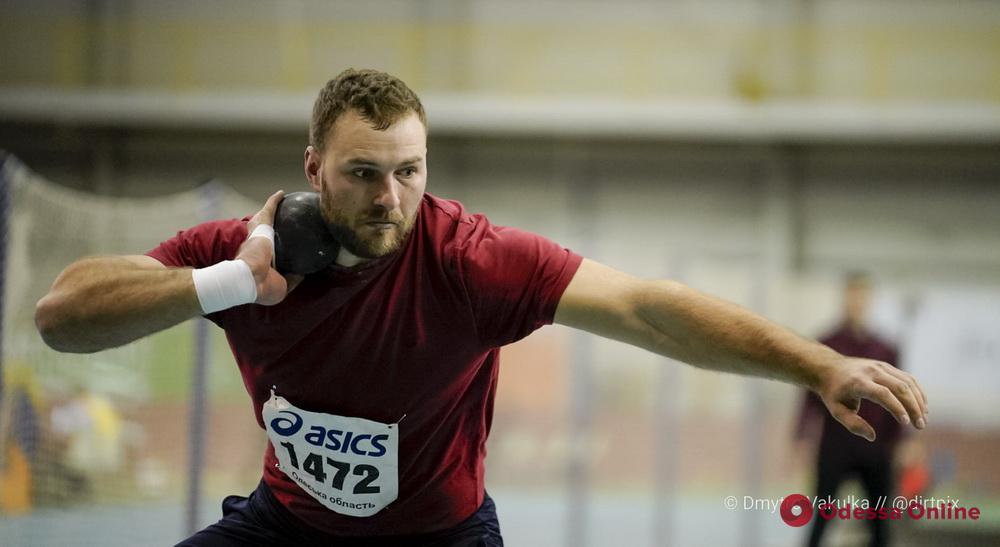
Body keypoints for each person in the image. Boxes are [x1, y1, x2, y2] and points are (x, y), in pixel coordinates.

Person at [34, 69, 928, 547]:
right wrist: (228, 285)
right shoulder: (244, 250)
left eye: (410, 171)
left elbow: (650, 308)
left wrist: (816, 363)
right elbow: (61, 314)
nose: (391, 197)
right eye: (362, 173)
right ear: (312, 168)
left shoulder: (471, 260)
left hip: (441, 539)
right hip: (287, 526)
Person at [795, 273, 907, 547]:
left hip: (875, 448)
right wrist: (800, 437)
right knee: (821, 517)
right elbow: (809, 397)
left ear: (869, 300)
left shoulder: (886, 349)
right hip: (836, 446)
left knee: (880, 522)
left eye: (862, 296)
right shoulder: (825, 344)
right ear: (844, 298)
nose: (856, 302)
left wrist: (903, 441)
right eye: (852, 295)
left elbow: (896, 396)